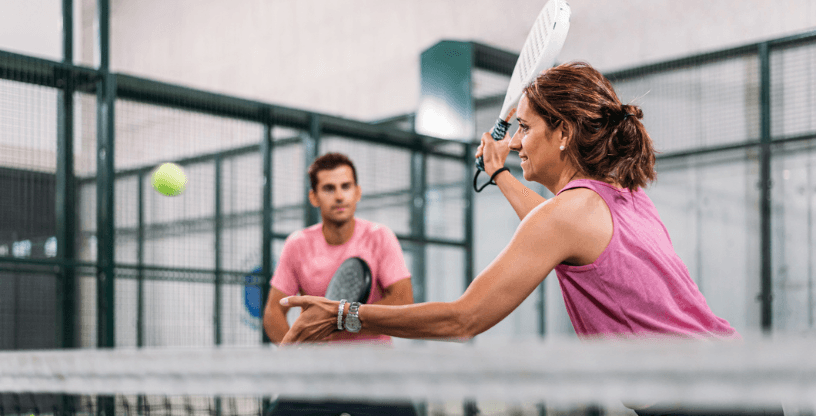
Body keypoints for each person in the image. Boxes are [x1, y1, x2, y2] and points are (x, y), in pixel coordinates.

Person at [279, 63, 779, 416]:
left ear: (561, 132)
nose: (515, 140)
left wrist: (344, 316)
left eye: (524, 127)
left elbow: (463, 319)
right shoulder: (616, 195)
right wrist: (499, 174)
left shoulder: (568, 215)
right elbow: (550, 226)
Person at [263, 152, 417, 416]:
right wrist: (297, 353)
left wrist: (341, 319)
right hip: (317, 374)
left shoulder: (380, 237)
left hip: (376, 370)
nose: (339, 196)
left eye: (346, 186)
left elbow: (403, 301)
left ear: (357, 192)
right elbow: (273, 312)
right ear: (313, 197)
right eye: (328, 188)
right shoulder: (297, 244)